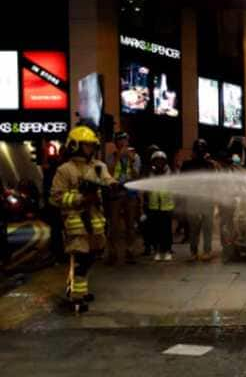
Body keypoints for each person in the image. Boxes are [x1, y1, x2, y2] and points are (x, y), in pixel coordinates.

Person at [50, 126, 117, 313]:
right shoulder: (65, 170)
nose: (90, 149)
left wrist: (113, 185)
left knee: (91, 257)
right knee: (81, 258)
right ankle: (76, 297)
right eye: (86, 146)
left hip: (95, 220)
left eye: (91, 146)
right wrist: (82, 198)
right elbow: (55, 197)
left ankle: (81, 290)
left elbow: (107, 178)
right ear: (75, 146)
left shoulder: (98, 166)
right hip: (75, 220)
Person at [105, 131, 141, 264]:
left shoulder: (135, 157)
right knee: (113, 225)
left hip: (130, 193)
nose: (123, 143)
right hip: (116, 193)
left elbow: (137, 176)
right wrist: (118, 157)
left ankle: (130, 250)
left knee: (130, 224)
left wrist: (131, 161)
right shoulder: (111, 157)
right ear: (116, 143)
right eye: (120, 140)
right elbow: (108, 174)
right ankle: (112, 252)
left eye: (125, 140)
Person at [181, 139, 217, 261]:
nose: (200, 153)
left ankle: (207, 251)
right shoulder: (187, 165)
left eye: (202, 150)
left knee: (207, 227)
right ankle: (194, 251)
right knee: (194, 228)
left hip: (207, 199)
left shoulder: (210, 165)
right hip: (193, 200)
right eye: (198, 150)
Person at [144, 151, 175, 261]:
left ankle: (167, 251)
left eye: (161, 160)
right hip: (154, 206)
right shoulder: (150, 173)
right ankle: (157, 251)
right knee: (155, 230)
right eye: (156, 161)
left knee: (166, 230)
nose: (159, 163)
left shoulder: (169, 173)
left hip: (166, 206)